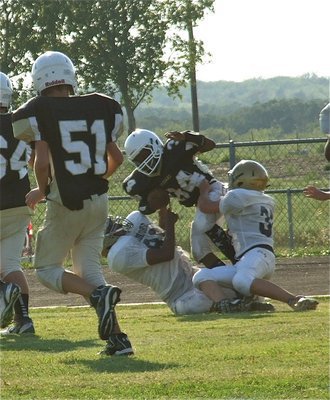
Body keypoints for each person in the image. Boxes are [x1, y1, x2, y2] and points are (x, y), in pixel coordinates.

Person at [12, 51, 133, 356]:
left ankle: (100, 297)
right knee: (89, 273)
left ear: (39, 80)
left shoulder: (39, 109)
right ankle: (118, 340)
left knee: (47, 268)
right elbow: (117, 158)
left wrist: (43, 189)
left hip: (66, 202)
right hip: (99, 201)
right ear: (70, 76)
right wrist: (93, 178)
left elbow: (41, 161)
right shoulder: (101, 105)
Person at [103, 192, 275, 315]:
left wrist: (162, 206)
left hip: (194, 276)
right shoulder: (118, 256)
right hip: (181, 295)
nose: (114, 224)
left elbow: (159, 232)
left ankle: (239, 304)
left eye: (110, 222)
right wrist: (171, 224)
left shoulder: (133, 219)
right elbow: (166, 254)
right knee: (199, 301)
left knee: (242, 282)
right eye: (109, 227)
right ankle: (232, 305)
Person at [193, 160, 319, 312]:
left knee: (241, 281)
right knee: (201, 276)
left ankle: (294, 299)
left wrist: (203, 190)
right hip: (253, 258)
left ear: (241, 180)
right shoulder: (265, 199)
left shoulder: (237, 195)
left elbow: (205, 206)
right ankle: (228, 304)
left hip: (256, 254)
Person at [123, 129, 236, 268]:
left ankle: (237, 260)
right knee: (199, 251)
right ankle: (226, 274)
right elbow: (147, 207)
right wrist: (157, 204)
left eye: (145, 154)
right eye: (138, 159)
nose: (144, 161)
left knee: (202, 223)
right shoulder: (140, 181)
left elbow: (210, 145)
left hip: (213, 190)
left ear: (155, 145)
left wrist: (188, 137)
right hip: (199, 203)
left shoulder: (174, 148)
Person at [0, 71, 35, 334]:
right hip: (21, 203)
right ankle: (23, 320)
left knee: (7, 269)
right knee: (10, 265)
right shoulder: (21, 123)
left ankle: (5, 292)